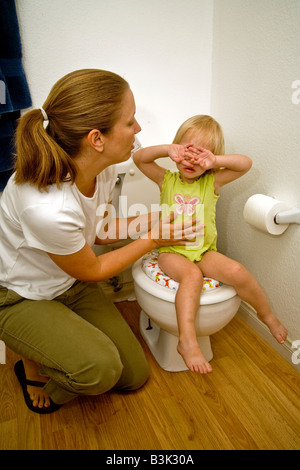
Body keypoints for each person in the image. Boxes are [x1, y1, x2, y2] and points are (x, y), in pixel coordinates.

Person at [0, 69, 203, 413]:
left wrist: (157, 217)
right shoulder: (48, 206)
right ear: (96, 139)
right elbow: (93, 268)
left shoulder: (103, 167)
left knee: (133, 376)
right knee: (100, 372)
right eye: (130, 122)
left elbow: (100, 230)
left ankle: (58, 341)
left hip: (67, 280)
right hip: (20, 295)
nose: (138, 129)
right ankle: (33, 365)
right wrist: (154, 238)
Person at [133, 115, 288, 374]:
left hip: (204, 252)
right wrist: (167, 150)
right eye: (186, 151)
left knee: (237, 271)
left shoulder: (212, 181)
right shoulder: (166, 179)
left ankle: (267, 316)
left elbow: (245, 164)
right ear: (176, 150)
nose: (192, 160)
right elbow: (139, 159)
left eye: (201, 154)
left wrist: (215, 162)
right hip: (171, 251)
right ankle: (187, 340)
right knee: (192, 276)